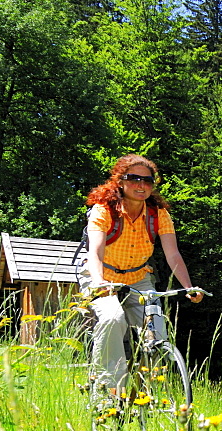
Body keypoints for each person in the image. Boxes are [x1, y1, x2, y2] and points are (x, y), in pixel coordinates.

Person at [78, 154, 202, 393]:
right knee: (112, 318)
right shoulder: (104, 210)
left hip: (138, 277)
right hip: (101, 274)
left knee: (156, 332)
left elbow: (173, 255)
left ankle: (145, 395)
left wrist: (188, 287)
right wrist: (99, 281)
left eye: (148, 180)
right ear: (120, 181)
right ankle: (108, 391)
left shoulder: (158, 215)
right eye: (134, 178)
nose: (141, 185)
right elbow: (94, 253)